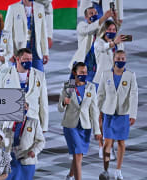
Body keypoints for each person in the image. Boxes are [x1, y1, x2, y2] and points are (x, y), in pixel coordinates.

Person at [98, 50, 138, 180]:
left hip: (123, 114)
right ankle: (105, 170)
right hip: (109, 114)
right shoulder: (106, 75)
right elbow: (100, 95)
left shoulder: (130, 75)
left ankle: (118, 171)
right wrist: (97, 112)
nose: (120, 61)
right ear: (113, 59)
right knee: (107, 143)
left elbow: (134, 95)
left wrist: (133, 114)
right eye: (118, 58)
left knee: (121, 143)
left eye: (123, 59)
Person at [58, 62, 101, 180]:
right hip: (71, 125)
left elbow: (94, 110)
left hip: (85, 126)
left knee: (79, 155)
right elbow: (60, 108)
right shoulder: (69, 86)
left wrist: (97, 130)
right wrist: (63, 103)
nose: (84, 74)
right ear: (74, 73)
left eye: (85, 72)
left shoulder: (90, 87)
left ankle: (70, 176)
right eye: (81, 72)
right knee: (77, 154)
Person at [0, 48, 49, 132]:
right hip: (10, 122)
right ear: (17, 59)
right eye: (26, 59)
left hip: (32, 123)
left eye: (30, 59)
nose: (29, 62)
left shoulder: (39, 76)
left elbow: (43, 102)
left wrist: (44, 126)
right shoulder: (3, 73)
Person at [94, 20, 125, 159]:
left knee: (111, 114)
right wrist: (114, 42)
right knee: (100, 115)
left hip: (115, 82)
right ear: (104, 30)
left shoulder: (119, 43)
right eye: (110, 29)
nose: (112, 31)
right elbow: (104, 48)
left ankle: (109, 145)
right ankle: (101, 146)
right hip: (100, 82)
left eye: (114, 29)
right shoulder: (98, 43)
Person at [69, 7, 113, 82]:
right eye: (91, 13)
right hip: (82, 61)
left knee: (90, 88)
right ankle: (69, 92)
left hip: (94, 65)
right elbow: (89, 29)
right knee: (71, 86)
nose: (94, 15)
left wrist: (114, 18)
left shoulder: (101, 28)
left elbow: (112, 31)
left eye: (95, 13)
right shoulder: (81, 25)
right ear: (86, 17)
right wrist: (104, 17)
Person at [3, 103, 45, 180]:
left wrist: (34, 151)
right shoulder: (8, 122)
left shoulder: (34, 122)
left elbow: (41, 141)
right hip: (10, 160)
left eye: (25, 107)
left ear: (28, 108)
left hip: (26, 159)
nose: (22, 109)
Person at [4, 0, 49, 72]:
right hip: (19, 51)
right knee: (19, 78)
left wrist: (45, 52)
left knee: (38, 77)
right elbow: (7, 33)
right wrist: (9, 52)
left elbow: (43, 32)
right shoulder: (13, 8)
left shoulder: (40, 8)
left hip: (36, 51)